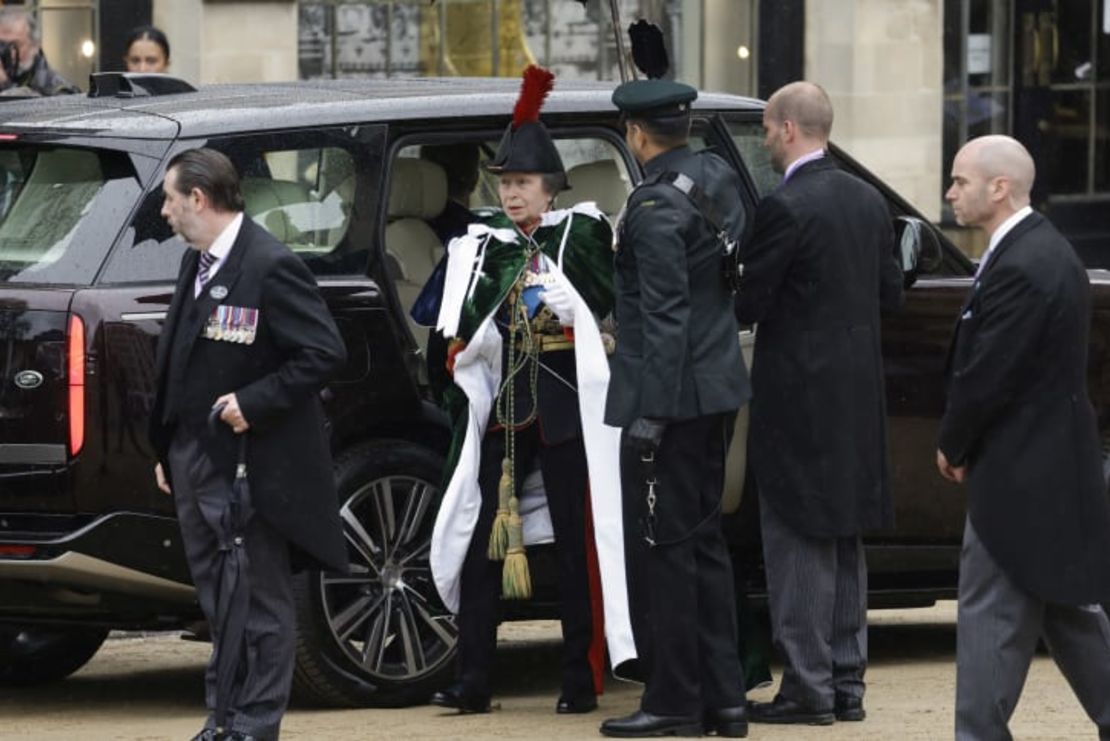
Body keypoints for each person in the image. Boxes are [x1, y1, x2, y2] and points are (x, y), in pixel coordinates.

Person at [429, 65, 636, 716]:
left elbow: (612, 307)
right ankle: (473, 680)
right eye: (504, 183)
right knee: (485, 546)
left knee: (577, 548)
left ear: (550, 187)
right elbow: (448, 329)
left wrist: (577, 310)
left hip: (567, 409)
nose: (511, 194)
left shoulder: (582, 235)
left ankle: (578, 677)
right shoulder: (482, 247)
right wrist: (465, 346)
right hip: (507, 414)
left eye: (522, 183)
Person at [148, 148, 347, 741]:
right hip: (194, 457)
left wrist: (254, 403)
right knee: (217, 602)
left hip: (248, 465)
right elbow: (182, 361)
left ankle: (255, 725)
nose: (164, 211)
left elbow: (322, 352)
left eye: (169, 199)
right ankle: (224, 720)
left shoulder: (268, 263)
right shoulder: (199, 262)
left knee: (258, 601)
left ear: (199, 199)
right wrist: (169, 450)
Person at [734, 81, 903, 725]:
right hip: (858, 394)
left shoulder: (786, 207)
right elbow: (892, 295)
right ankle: (846, 682)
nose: (768, 143)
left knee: (798, 538)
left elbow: (750, 303)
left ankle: (808, 687)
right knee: (843, 539)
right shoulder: (867, 199)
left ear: (784, 129)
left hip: (798, 395)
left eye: (768, 132)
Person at [937, 135, 1110, 740]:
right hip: (1050, 466)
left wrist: (953, 443)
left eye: (960, 181)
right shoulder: (1039, 252)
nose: (950, 192)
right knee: (1068, 610)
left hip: (1018, 473)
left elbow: (989, 372)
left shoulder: (1026, 261)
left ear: (1000, 187)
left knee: (990, 615)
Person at [600, 78, 751, 739]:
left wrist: (651, 416)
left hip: (675, 398)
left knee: (666, 552)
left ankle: (675, 700)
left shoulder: (655, 207)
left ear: (636, 135)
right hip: (715, 387)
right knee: (705, 548)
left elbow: (665, 318)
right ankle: (726, 700)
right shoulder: (713, 178)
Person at [0, 7, 78, 96]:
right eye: (2, 45)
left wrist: (6, 85)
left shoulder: (57, 89)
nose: (8, 53)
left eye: (15, 46)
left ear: (34, 46)